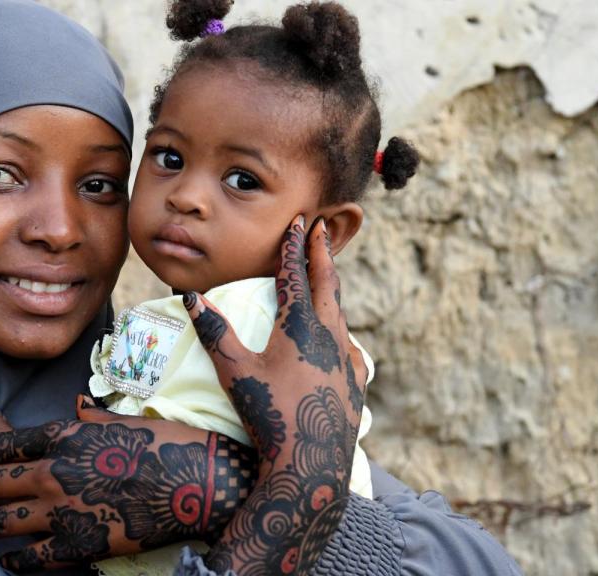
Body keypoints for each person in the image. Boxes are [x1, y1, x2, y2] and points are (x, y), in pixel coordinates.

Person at [0, 1, 522, 575]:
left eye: (101, 184)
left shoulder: (160, 374)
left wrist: (235, 488)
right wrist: (274, 514)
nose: (61, 228)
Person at [76, 1, 419, 573]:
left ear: (326, 231)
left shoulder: (280, 340)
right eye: (169, 156)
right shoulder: (170, 314)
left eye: (242, 179)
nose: (186, 195)